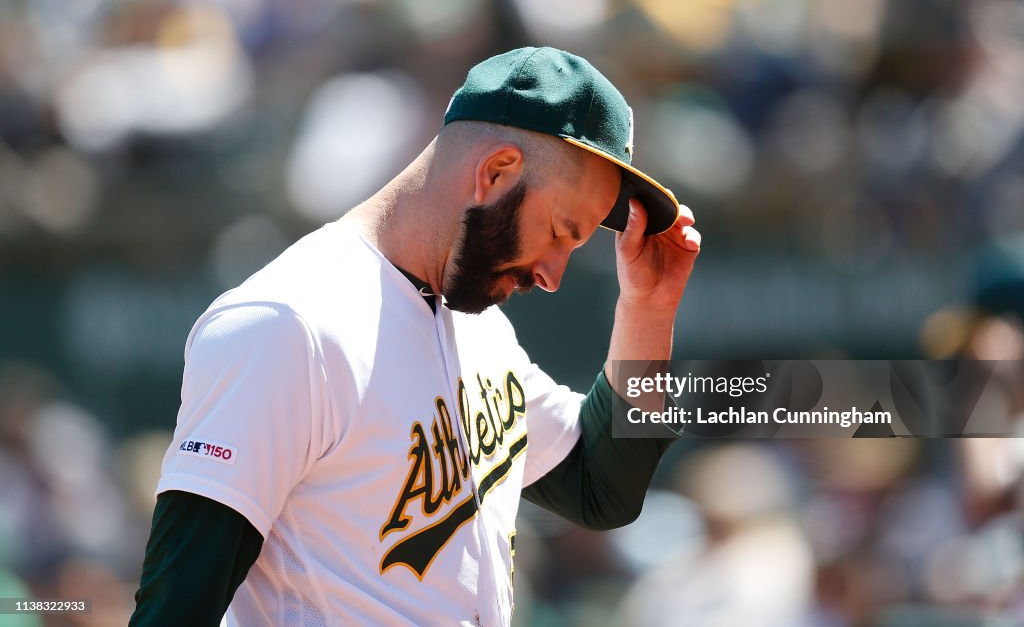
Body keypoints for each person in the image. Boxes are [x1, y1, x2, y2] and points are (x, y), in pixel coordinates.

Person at [129, 46, 701, 626]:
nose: (552, 275)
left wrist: (648, 308)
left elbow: (600, 485)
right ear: (495, 172)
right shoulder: (287, 324)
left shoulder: (482, 330)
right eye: (559, 232)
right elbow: (175, 608)